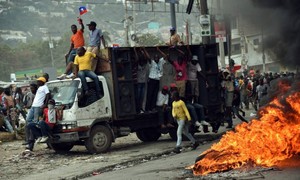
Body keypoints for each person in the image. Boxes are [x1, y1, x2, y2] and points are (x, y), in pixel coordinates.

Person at [144, 47, 166, 112]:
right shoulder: (152, 62)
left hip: (157, 80)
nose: (156, 59)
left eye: (157, 58)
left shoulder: (161, 61)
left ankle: (153, 108)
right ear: (153, 58)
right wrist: (144, 50)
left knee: (155, 95)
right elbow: (148, 57)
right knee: (149, 95)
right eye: (155, 58)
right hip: (151, 80)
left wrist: (159, 50)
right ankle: (147, 109)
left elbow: (165, 56)